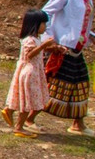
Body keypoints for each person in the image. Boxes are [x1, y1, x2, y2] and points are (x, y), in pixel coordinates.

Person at [40, 0, 95, 135]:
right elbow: (45, 15)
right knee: (53, 86)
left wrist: (93, 37)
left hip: (76, 48)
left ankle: (78, 124)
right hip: (61, 47)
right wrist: (48, 39)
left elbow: (81, 22)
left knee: (81, 86)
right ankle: (29, 119)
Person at [4, 9, 59, 137]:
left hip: (33, 72)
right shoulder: (30, 40)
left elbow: (37, 51)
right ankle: (19, 127)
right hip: (30, 73)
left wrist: (52, 47)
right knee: (29, 101)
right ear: (35, 24)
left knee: (28, 98)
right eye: (43, 24)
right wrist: (44, 45)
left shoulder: (36, 39)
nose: (45, 27)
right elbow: (30, 54)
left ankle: (10, 111)